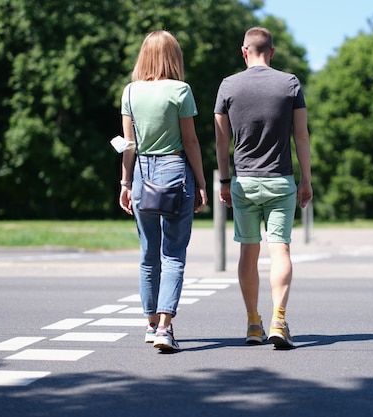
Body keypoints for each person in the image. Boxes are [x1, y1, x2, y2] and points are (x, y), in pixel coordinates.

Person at [214, 27, 313, 349]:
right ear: (271, 52)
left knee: (248, 251)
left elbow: (221, 139)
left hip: (243, 181)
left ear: (245, 52)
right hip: (280, 180)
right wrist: (306, 180)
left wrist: (225, 180)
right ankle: (279, 320)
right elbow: (301, 136)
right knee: (280, 249)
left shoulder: (228, 85)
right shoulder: (290, 83)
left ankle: (253, 323)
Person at [119, 30, 208, 352]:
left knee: (148, 254)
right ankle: (165, 328)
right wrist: (200, 183)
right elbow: (190, 142)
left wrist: (125, 184)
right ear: (174, 57)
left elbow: (128, 145)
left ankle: (149, 323)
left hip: (142, 174)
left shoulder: (130, 92)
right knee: (173, 255)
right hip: (174, 174)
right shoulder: (181, 91)